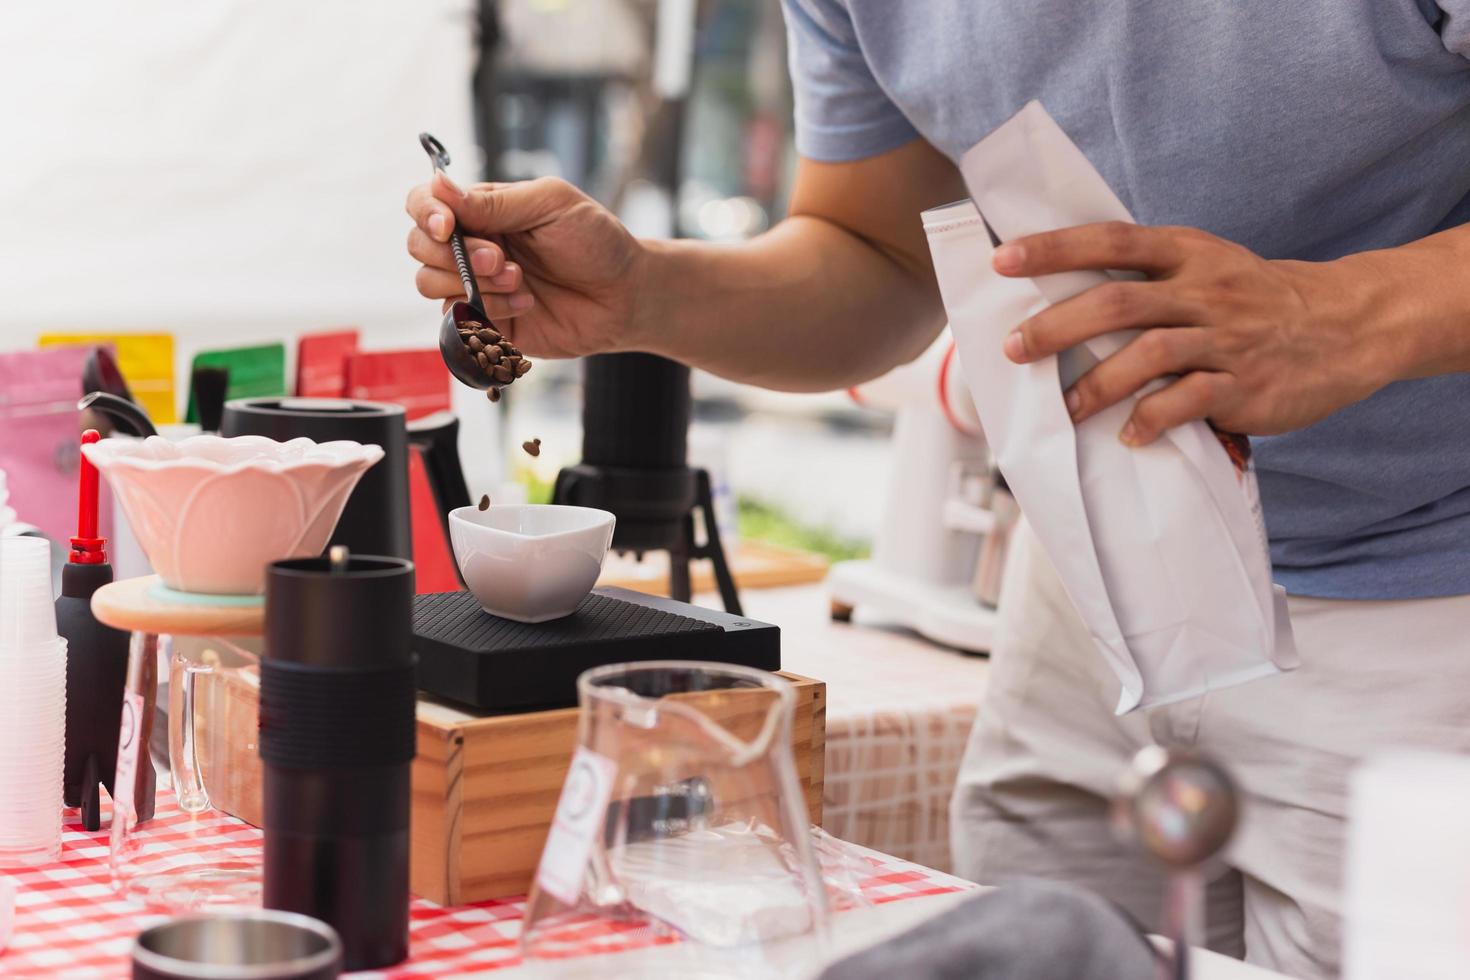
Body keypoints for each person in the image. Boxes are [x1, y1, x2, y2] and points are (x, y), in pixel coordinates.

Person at [406, 4, 1470, 976]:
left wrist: (1346, 310)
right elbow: (876, 253)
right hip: (1089, 587)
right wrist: (644, 292)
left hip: (1426, 605)